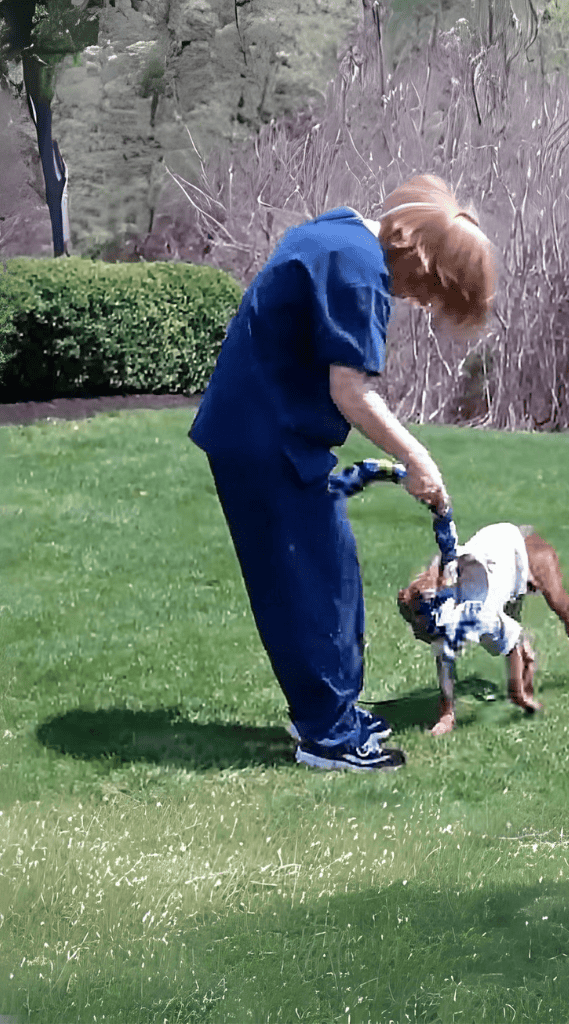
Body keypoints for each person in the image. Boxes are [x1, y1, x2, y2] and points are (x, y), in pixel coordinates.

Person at [189, 174, 497, 771]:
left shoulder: (344, 232)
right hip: (265, 438)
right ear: (424, 264)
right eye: (430, 294)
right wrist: (418, 459)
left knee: (331, 577)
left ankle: (335, 715)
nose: (420, 302)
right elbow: (351, 390)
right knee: (310, 589)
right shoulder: (359, 271)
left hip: (267, 429)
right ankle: (327, 738)